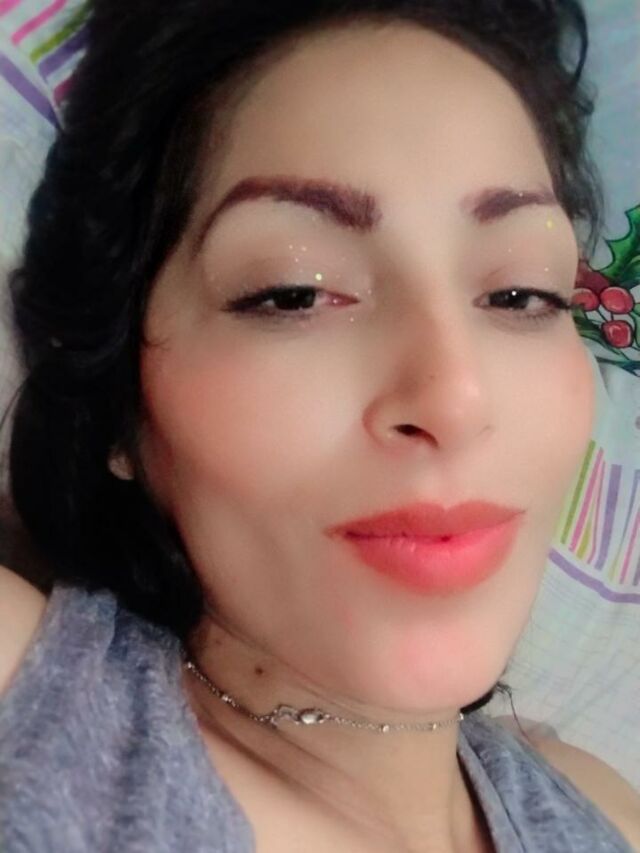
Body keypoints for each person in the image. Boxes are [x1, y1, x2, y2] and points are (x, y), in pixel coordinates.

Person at [0, 0, 639, 850]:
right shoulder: (39, 711)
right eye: (293, 293)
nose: (454, 397)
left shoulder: (605, 808)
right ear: (121, 403)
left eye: (520, 293)